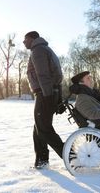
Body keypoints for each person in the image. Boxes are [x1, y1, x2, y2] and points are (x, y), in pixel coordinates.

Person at [23, 31, 64, 169]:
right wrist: (58, 97)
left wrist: (48, 97)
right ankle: (41, 161)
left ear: (33, 39)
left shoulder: (38, 50)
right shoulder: (45, 49)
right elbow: (57, 76)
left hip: (45, 94)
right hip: (49, 93)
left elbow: (43, 75)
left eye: (26, 39)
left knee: (44, 129)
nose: (24, 42)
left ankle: (71, 157)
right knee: (38, 128)